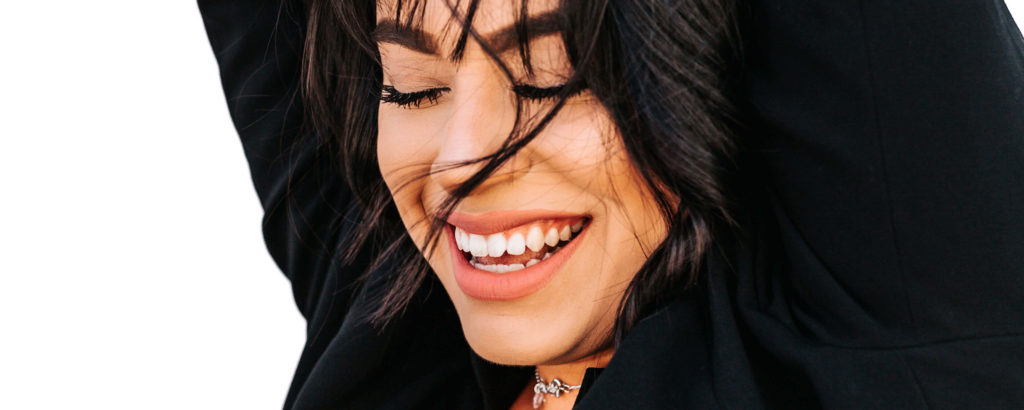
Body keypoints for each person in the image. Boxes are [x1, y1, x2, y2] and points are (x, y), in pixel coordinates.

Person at [199, 0, 1024, 408]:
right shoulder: (391, 323)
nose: (461, 162)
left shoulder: (891, 338)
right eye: (414, 89)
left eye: (552, 78)